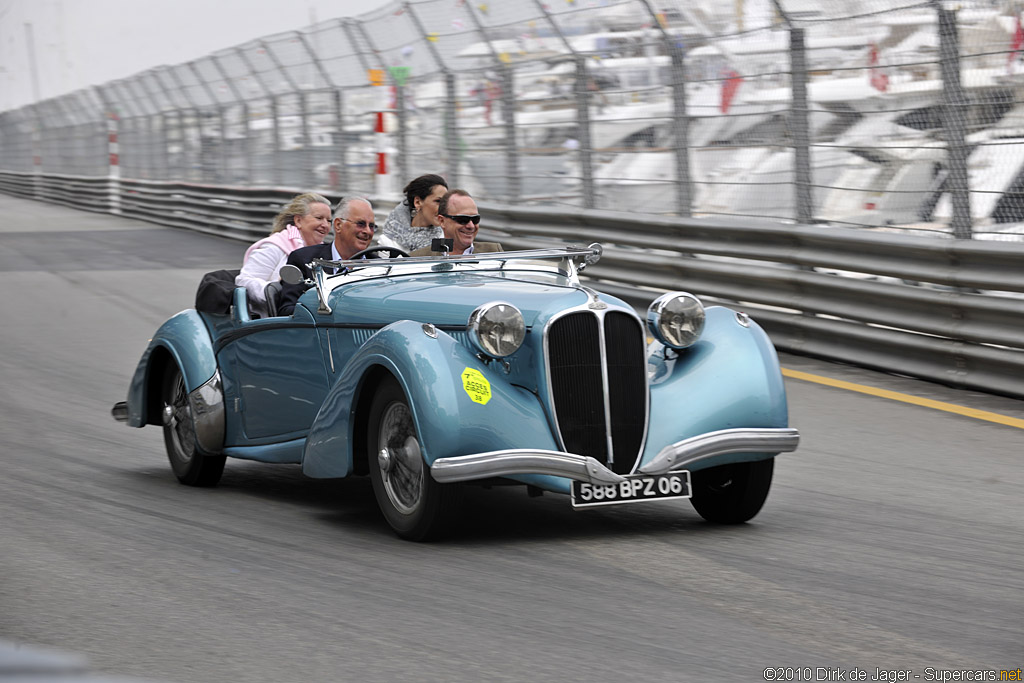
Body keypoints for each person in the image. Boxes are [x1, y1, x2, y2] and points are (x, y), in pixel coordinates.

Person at [236, 192, 332, 318]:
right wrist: (280, 288)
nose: (325, 225)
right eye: (319, 218)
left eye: (329, 220)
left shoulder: (325, 253)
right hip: (272, 322)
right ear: (298, 220)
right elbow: (243, 281)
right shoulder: (275, 247)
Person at [277, 196, 377, 316]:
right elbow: (287, 311)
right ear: (338, 225)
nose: (367, 231)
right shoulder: (304, 259)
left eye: (371, 226)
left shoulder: (382, 266)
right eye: (360, 224)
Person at [410, 189, 502, 256]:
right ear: (442, 221)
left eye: (475, 219)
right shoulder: (418, 258)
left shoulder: (493, 252)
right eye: (462, 220)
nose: (471, 226)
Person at [378, 173, 448, 253]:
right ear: (417, 202)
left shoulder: (446, 237)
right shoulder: (388, 241)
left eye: (445, 203)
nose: (444, 208)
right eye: (438, 201)